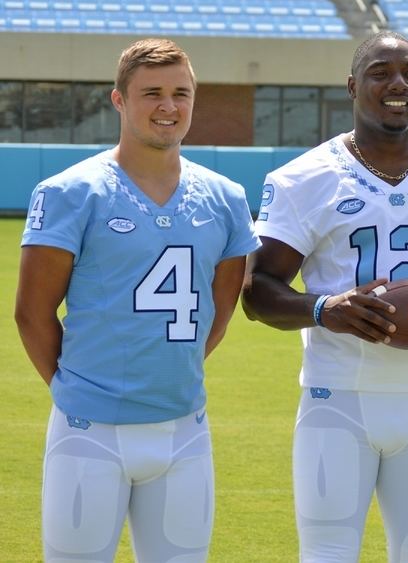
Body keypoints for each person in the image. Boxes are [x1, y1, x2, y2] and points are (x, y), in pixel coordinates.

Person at [241, 30, 408, 562]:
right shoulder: (303, 179)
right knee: (327, 555)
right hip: (336, 400)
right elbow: (258, 291)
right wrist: (324, 309)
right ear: (352, 86)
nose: (398, 83)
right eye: (380, 72)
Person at [14, 38, 260, 562]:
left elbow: (218, 313)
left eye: (181, 93)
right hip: (89, 430)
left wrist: (175, 370)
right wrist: (74, 387)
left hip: (184, 428)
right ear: (119, 100)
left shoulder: (225, 197)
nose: (168, 107)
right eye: (151, 93)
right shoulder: (70, 191)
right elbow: (32, 314)